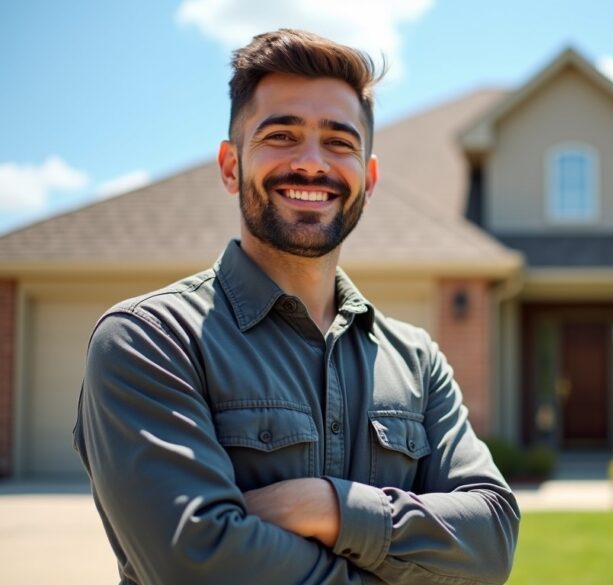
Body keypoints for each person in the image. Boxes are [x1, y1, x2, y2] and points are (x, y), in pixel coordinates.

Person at [73, 28, 519, 585]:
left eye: (338, 142)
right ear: (231, 166)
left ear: (368, 177)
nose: (311, 164)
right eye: (281, 135)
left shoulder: (416, 359)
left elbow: (493, 538)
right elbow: (196, 565)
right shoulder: (150, 340)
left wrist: (330, 506)